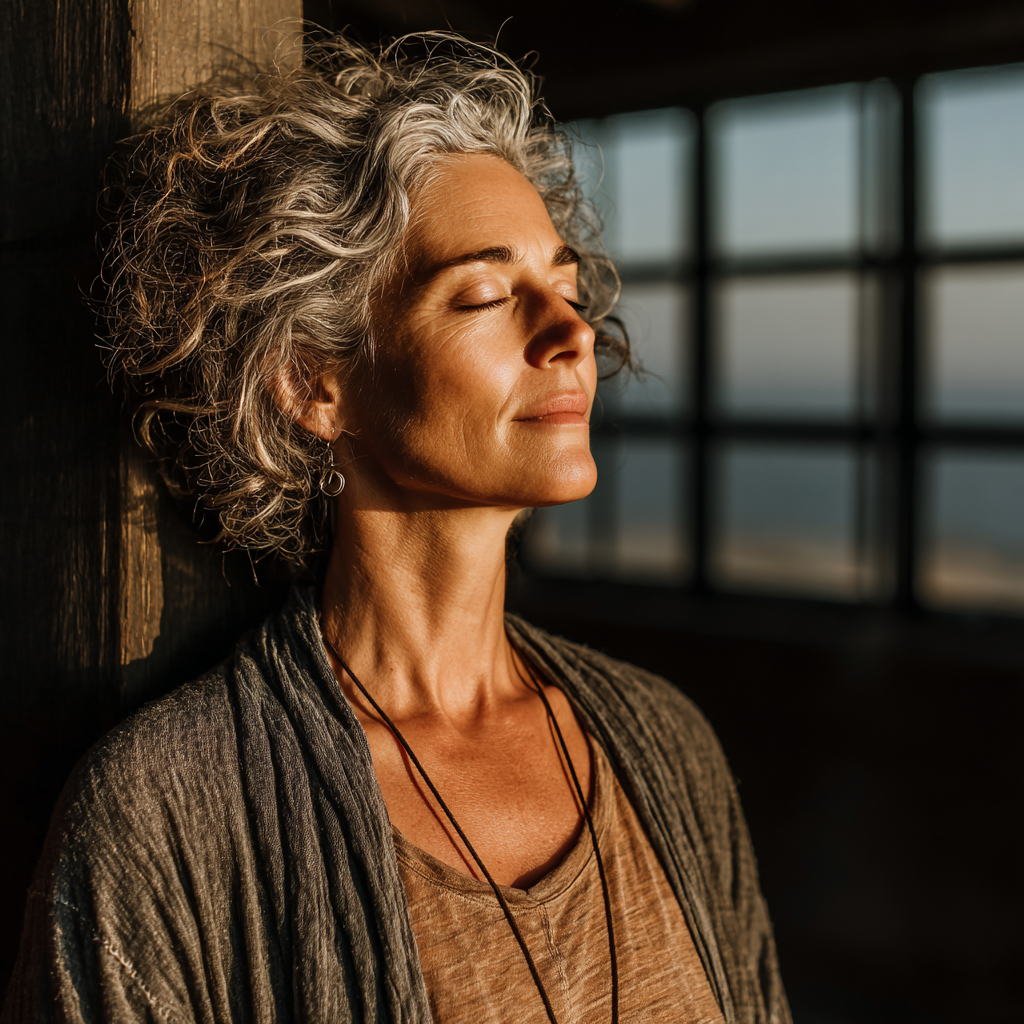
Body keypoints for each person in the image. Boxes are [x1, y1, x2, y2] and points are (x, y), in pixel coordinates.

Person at [3, 31, 790, 1024]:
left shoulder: (665, 748)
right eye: (486, 294)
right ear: (312, 382)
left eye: (567, 286)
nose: (572, 332)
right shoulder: (168, 815)